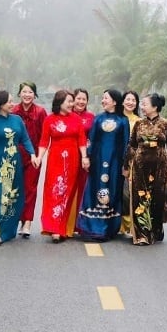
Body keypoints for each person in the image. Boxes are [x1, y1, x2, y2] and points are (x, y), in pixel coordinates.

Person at [0, 90, 36, 245]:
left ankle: (8, 229)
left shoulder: (17, 120)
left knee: (12, 197)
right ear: (1, 104)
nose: (13, 104)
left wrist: (32, 155)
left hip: (15, 165)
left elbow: (25, 139)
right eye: (9, 102)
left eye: (12, 101)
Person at [33, 90, 88, 242]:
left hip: (72, 161)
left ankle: (61, 227)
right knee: (54, 192)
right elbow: (44, 141)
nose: (73, 104)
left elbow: (82, 140)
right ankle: (53, 227)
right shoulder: (50, 120)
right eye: (69, 101)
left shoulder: (76, 119)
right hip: (55, 160)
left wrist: (84, 157)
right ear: (60, 102)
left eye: (72, 101)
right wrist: (39, 157)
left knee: (67, 194)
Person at [125, 93, 167, 246]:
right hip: (140, 166)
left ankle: (156, 229)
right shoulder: (138, 124)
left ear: (155, 107)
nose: (142, 107)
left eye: (145, 104)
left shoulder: (166, 124)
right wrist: (126, 166)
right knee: (140, 198)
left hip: (159, 166)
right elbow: (132, 145)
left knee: (157, 198)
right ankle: (142, 235)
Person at [77, 89, 128, 241]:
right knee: (94, 190)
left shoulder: (123, 120)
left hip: (115, 162)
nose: (103, 101)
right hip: (97, 162)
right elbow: (91, 140)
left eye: (106, 98)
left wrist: (125, 164)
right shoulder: (98, 119)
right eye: (103, 98)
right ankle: (91, 227)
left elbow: (126, 143)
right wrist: (87, 157)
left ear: (114, 101)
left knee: (112, 191)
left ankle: (108, 228)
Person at [12, 81, 46, 238]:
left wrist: (39, 157)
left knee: (30, 189)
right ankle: (14, 220)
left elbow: (44, 138)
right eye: (24, 92)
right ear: (19, 94)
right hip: (14, 156)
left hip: (33, 157)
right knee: (15, 189)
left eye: (30, 92)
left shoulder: (40, 112)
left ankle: (27, 222)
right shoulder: (13, 111)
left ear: (35, 94)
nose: (27, 95)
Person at [70, 88, 95, 235]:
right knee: (69, 188)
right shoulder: (67, 115)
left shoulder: (92, 117)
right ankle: (68, 223)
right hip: (70, 155)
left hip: (86, 158)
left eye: (83, 99)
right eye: (78, 98)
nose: (80, 101)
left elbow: (94, 137)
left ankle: (81, 224)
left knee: (84, 189)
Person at [121, 90, 141, 235]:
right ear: (122, 102)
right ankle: (117, 225)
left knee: (129, 193)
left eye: (133, 100)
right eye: (128, 99)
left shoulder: (139, 121)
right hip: (115, 160)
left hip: (134, 162)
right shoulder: (116, 119)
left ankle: (129, 225)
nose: (130, 102)